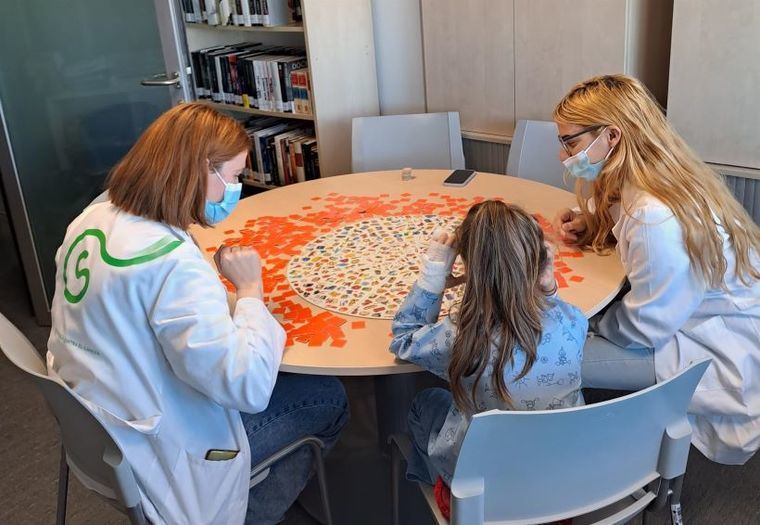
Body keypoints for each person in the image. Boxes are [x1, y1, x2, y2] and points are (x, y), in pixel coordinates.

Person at [46, 103, 348, 525]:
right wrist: (248, 290)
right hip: (168, 457)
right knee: (327, 396)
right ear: (200, 171)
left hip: (97, 427)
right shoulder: (172, 263)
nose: (236, 188)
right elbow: (248, 386)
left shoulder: (92, 218)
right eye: (235, 176)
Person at [552, 74, 760, 465]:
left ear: (612, 136)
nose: (564, 157)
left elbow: (646, 327)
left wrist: (591, 321)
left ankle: (571, 462)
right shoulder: (654, 178)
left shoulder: (654, 216)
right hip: (698, 318)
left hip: (709, 347)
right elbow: (621, 211)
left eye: (571, 143)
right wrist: (590, 219)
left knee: (550, 356)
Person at [389, 201, 587, 500]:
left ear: (470, 268)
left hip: (479, 502)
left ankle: (434, 480)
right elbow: (557, 309)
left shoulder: (461, 336)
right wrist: (547, 286)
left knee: (425, 402)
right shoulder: (572, 322)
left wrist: (433, 275)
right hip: (560, 492)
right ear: (540, 262)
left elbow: (404, 338)